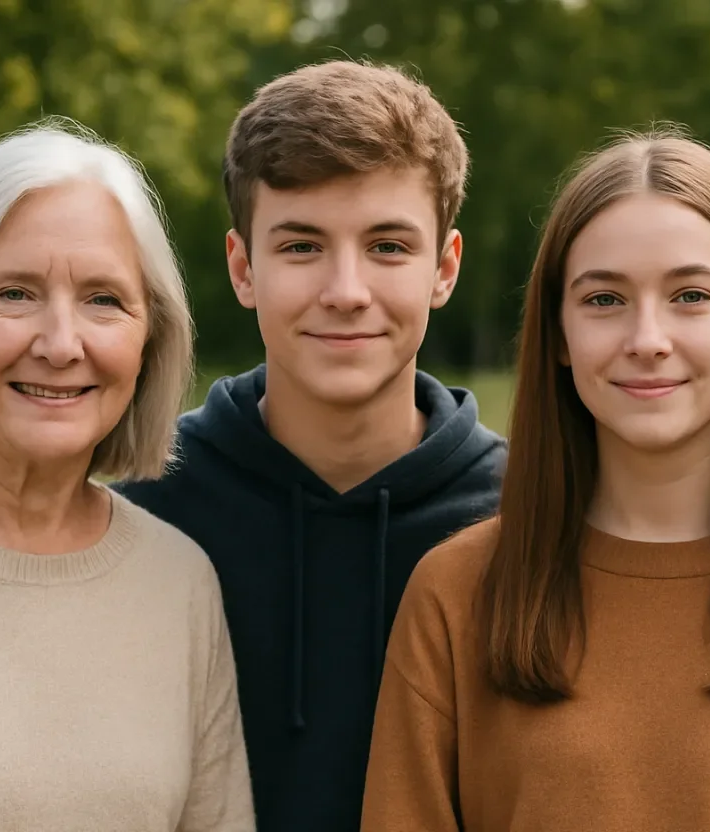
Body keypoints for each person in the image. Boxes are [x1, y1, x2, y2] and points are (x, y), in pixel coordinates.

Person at [360, 130, 710, 831]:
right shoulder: (454, 595)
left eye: (691, 296)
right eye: (604, 300)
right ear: (560, 335)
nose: (648, 339)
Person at [112, 60, 507, 830]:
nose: (346, 289)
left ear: (445, 268)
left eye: (389, 246)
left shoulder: (529, 518)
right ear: (242, 267)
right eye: (301, 247)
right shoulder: (143, 512)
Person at [0, 120, 253, 830]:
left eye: (103, 299)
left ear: (148, 343)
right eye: (14, 293)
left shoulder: (179, 581)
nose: (61, 344)